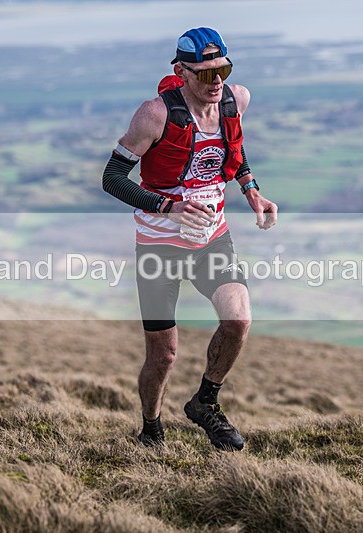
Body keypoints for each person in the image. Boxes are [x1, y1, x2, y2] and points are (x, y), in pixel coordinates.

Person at [102, 27, 277, 451]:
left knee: (238, 321)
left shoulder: (236, 100)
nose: (216, 82)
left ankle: (205, 402)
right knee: (163, 355)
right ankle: (151, 428)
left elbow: (233, 150)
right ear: (181, 72)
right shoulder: (154, 115)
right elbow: (112, 178)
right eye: (205, 74)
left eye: (223, 70)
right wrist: (169, 207)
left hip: (211, 239)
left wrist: (251, 190)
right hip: (159, 247)